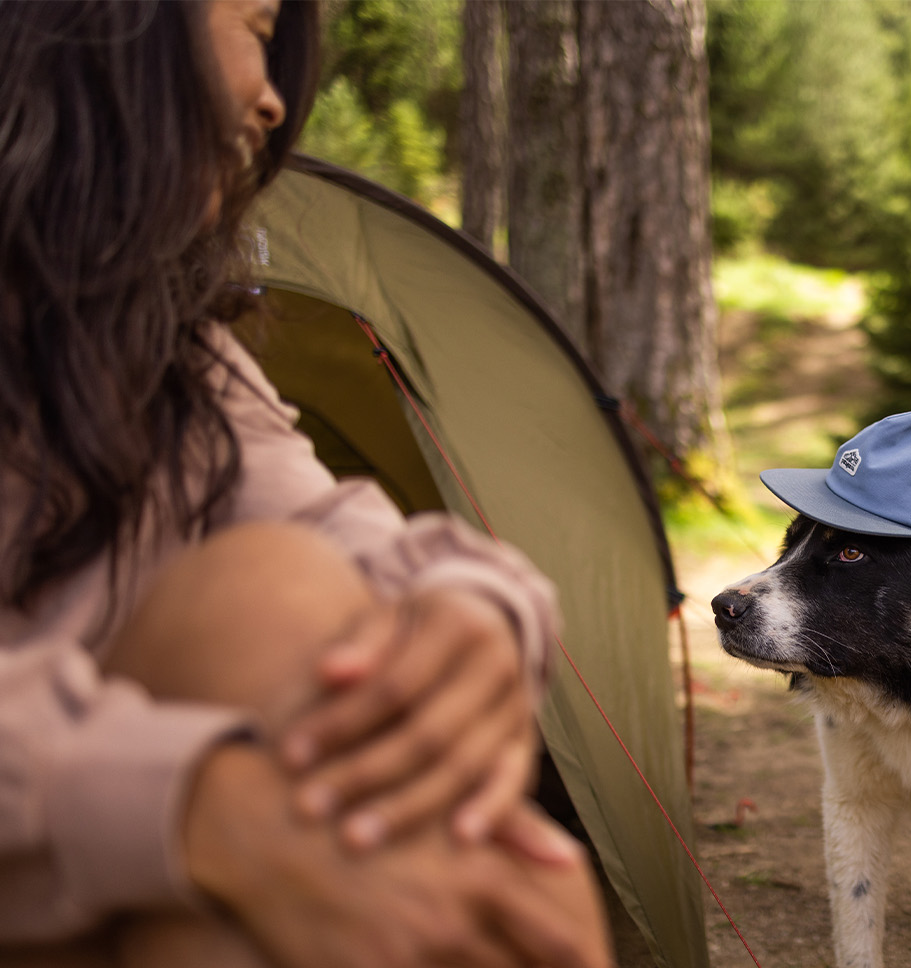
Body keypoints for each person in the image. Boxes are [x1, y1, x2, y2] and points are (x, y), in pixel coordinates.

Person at [0, 2, 610, 965]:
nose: (275, 101)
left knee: (275, 591)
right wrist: (197, 804)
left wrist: (473, 609)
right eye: (255, 26)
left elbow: (326, 524)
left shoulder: (170, 359)